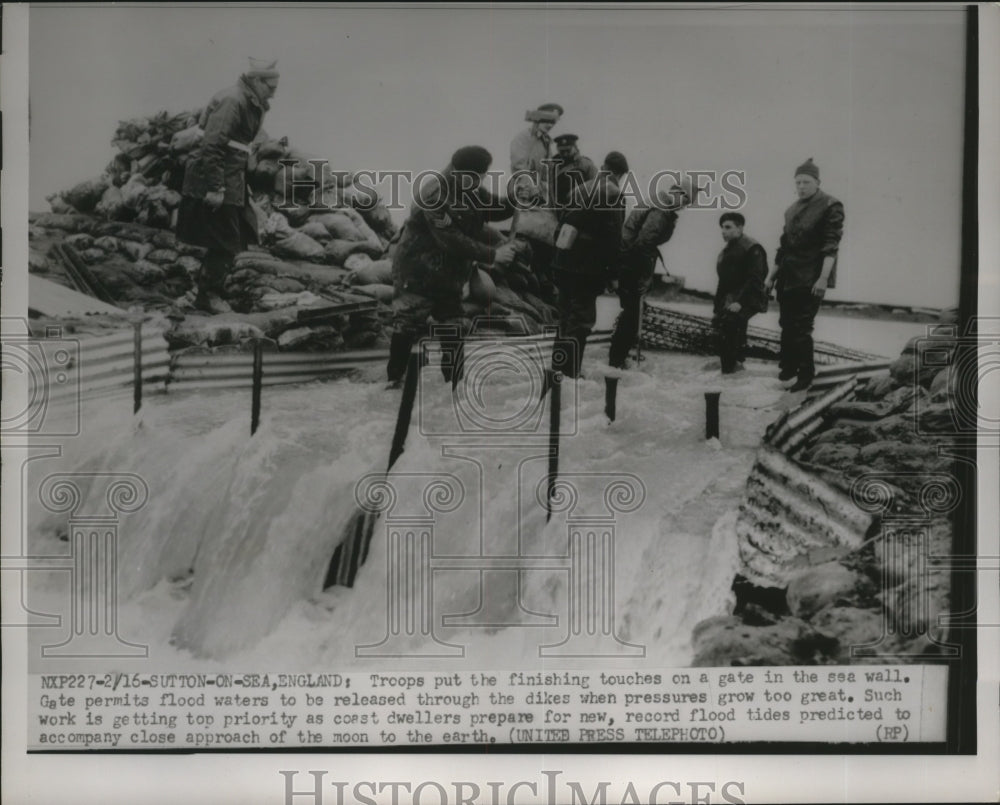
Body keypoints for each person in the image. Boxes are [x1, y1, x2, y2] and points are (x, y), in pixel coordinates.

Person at [386, 146, 517, 387]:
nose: (477, 183)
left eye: (481, 177)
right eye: (473, 177)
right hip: (418, 272)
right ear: (456, 170)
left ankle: (454, 385)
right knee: (408, 322)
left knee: (454, 325)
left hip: (450, 275)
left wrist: (516, 198)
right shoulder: (434, 194)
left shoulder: (470, 188)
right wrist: (492, 254)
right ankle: (395, 381)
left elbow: (494, 208)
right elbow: (450, 239)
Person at [176, 58, 279, 313]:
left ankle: (205, 291)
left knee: (236, 235)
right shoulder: (233, 100)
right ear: (256, 80)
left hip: (231, 177)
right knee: (226, 239)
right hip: (214, 179)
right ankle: (208, 295)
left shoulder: (250, 102)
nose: (273, 94)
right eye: (270, 87)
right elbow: (212, 145)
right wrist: (215, 188)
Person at [765, 158, 845, 392]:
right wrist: (771, 278)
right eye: (798, 182)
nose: (801, 186)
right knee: (786, 324)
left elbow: (832, 244)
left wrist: (823, 278)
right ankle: (789, 366)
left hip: (811, 277)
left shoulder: (831, 205)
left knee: (801, 327)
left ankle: (806, 374)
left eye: (806, 182)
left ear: (817, 182)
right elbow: (783, 247)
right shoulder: (791, 209)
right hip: (788, 276)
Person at [551, 151, 629, 379]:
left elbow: (560, 222)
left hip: (563, 261)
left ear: (603, 167)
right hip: (586, 268)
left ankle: (559, 369)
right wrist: (613, 275)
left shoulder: (579, 188)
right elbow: (613, 238)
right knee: (582, 319)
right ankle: (571, 372)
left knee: (565, 317)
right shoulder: (614, 193)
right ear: (618, 174)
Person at [608, 178, 692, 369]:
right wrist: (643, 277)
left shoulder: (662, 204)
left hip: (628, 261)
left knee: (633, 311)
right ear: (678, 193)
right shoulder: (662, 209)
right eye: (686, 201)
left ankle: (618, 358)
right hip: (630, 263)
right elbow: (643, 244)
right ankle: (616, 362)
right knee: (633, 312)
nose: (685, 207)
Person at [712, 212, 769, 374]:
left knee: (731, 324)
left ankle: (735, 367)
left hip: (750, 297)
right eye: (722, 228)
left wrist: (740, 302)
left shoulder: (752, 247)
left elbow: (756, 278)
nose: (723, 231)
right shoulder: (727, 250)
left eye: (728, 227)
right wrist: (717, 306)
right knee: (720, 327)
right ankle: (731, 371)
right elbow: (723, 282)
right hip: (731, 297)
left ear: (740, 228)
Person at [509, 103, 564, 204]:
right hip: (526, 193)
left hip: (543, 196)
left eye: (553, 122)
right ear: (538, 118)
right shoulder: (524, 138)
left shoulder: (546, 142)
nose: (550, 125)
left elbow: (546, 175)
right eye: (547, 120)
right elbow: (519, 168)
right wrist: (533, 191)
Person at [550, 134, 598, 208]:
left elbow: (596, 187)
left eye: (568, 150)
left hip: (579, 210)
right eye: (562, 151)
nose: (565, 154)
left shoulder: (586, 165)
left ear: (575, 148)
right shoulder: (552, 166)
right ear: (558, 149)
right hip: (556, 209)